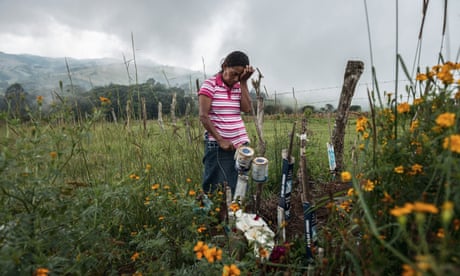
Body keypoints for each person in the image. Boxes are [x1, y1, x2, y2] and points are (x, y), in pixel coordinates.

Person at [198, 50, 255, 195]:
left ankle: (236, 215)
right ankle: (212, 217)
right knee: (213, 186)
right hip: (218, 145)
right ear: (224, 66)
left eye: (239, 75)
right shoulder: (210, 85)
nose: (235, 78)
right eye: (234, 73)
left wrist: (244, 82)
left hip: (240, 144)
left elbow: (247, 108)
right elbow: (203, 116)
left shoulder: (238, 85)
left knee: (240, 186)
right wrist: (220, 139)